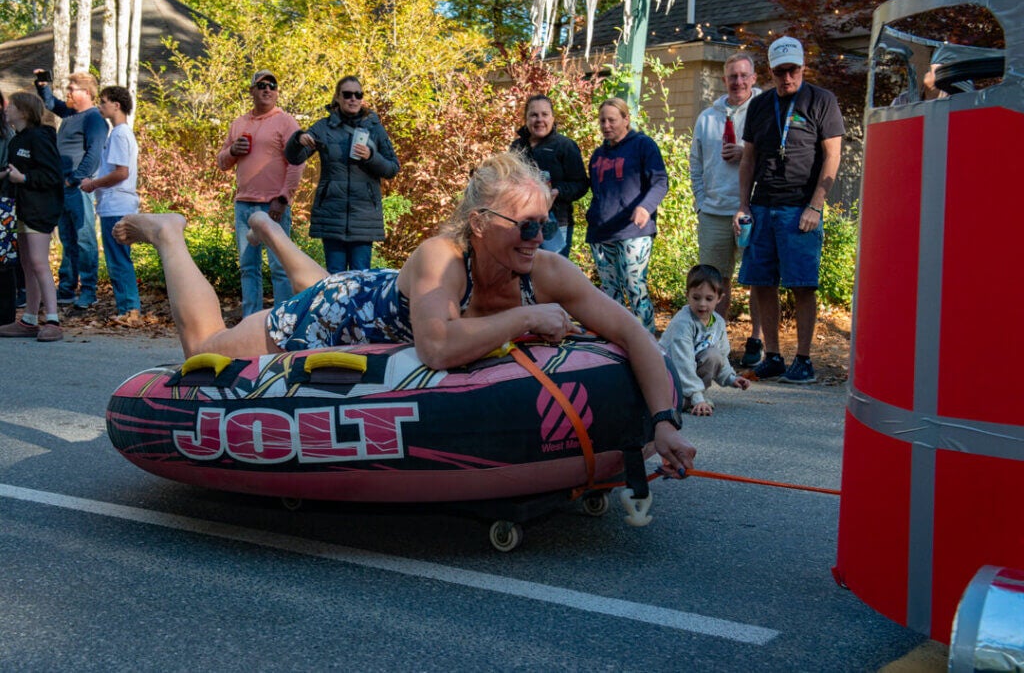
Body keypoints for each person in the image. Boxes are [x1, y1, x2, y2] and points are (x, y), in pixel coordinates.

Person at [111, 152, 697, 473]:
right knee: (208, 345)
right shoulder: (442, 258)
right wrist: (525, 321)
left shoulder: (546, 271)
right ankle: (169, 234)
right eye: (525, 226)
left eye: (544, 225)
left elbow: (631, 332)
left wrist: (664, 419)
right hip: (338, 313)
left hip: (377, 294)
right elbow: (437, 348)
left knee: (332, 280)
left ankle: (269, 231)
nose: (537, 238)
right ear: (480, 225)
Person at [735, 36, 844, 384]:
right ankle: (774, 356)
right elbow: (748, 159)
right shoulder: (760, 104)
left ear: (803, 66)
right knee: (762, 283)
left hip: (800, 208)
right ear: (770, 71)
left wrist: (816, 205)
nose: (787, 78)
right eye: (780, 71)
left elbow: (832, 155)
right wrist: (743, 206)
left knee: (802, 285)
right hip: (763, 206)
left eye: (793, 70)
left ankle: (804, 359)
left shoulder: (821, 100)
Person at [689, 53, 764, 367]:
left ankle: (757, 343)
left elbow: (776, 155)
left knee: (759, 278)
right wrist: (700, 203)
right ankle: (715, 342)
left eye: (744, 75)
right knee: (716, 283)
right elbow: (695, 162)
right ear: (724, 80)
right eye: (732, 76)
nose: (738, 82)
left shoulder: (763, 112)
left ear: (754, 78)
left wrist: (746, 152)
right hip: (715, 212)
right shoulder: (708, 116)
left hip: (754, 209)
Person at [284, 75, 399, 274]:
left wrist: (371, 157)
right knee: (335, 278)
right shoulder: (323, 127)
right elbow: (295, 158)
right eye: (347, 94)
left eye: (358, 94)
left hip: (364, 217)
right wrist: (298, 139)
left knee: (360, 278)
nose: (353, 99)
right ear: (337, 97)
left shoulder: (374, 128)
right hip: (332, 214)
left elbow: (392, 168)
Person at [217, 70, 304, 317]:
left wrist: (284, 198)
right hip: (244, 205)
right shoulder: (239, 123)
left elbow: (297, 162)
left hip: (272, 206)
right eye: (262, 85)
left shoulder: (286, 122)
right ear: (252, 91)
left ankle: (283, 321)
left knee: (279, 267)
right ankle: (251, 321)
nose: (267, 89)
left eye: (272, 86)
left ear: (277, 93)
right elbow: (222, 163)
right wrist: (233, 150)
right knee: (248, 267)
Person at [586, 97, 668, 334]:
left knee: (635, 286)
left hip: (634, 230)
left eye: (612, 120)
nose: (606, 125)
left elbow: (660, 182)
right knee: (610, 291)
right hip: (601, 233)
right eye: (602, 120)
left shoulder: (643, 145)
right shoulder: (598, 154)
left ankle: (647, 341)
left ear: (626, 119)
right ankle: (617, 341)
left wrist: (645, 207)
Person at [34, 70, 107, 310]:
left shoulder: (93, 118)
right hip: (62, 186)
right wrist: (42, 84)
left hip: (77, 187)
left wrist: (74, 180)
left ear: (86, 92)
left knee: (84, 238)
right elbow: (50, 103)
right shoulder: (71, 113)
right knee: (67, 238)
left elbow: (94, 154)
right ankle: (66, 288)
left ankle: (88, 291)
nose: (68, 93)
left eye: (72, 89)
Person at [0, 92, 65, 341]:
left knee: (38, 262)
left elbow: (52, 176)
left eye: (12, 106)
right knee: (26, 263)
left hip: (41, 209)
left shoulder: (40, 138)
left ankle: (53, 319)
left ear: (24, 112)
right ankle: (28, 319)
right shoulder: (17, 140)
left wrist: (23, 178)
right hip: (22, 208)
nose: (7, 110)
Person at [80, 86, 141, 324]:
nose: (100, 106)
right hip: (117, 203)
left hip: (116, 203)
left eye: (103, 102)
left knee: (118, 258)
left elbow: (121, 173)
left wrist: (93, 184)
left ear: (117, 105)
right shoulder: (121, 133)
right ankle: (127, 307)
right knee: (119, 256)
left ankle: (130, 309)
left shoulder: (118, 134)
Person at [659, 265, 751, 416]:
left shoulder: (718, 323)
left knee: (713, 354)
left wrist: (730, 378)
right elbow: (682, 363)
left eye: (709, 299)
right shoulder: (683, 323)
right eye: (696, 298)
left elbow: (721, 356)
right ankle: (684, 398)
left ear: (719, 298)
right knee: (668, 397)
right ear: (687, 295)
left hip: (687, 380)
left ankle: (687, 398)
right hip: (667, 376)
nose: (702, 304)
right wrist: (697, 397)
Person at [509, 94, 588, 257]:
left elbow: (581, 184)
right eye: (534, 115)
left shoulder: (565, 146)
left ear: (552, 118)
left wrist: (557, 191)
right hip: (523, 223)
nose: (539, 119)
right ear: (526, 118)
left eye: (544, 114)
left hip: (557, 222)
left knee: (554, 275)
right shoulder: (517, 147)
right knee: (525, 271)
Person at [0, 89, 17, 325]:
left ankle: (5, 315)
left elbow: (11, 169)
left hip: (3, 202)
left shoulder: (8, 134)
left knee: (3, 261)